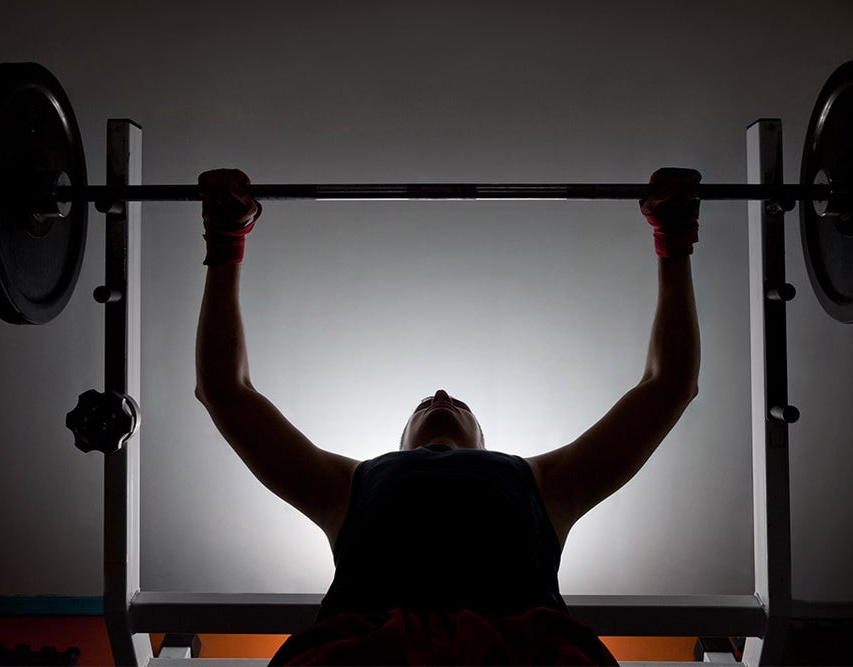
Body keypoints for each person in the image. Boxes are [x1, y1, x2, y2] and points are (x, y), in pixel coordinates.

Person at [194, 167, 701, 665]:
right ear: (398, 443)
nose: (440, 392)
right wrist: (225, 240)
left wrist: (674, 240)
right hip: (376, 648)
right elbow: (224, 392)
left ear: (484, 442)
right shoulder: (349, 484)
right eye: (425, 403)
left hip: (512, 648)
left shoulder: (539, 481)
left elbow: (668, 387)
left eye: (458, 403)